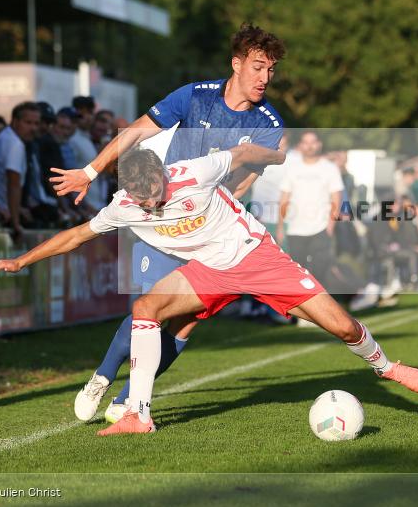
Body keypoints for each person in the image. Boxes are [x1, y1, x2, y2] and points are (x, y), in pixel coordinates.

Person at [0, 145, 418, 435]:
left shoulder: (193, 172)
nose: (152, 202)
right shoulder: (124, 206)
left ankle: (384, 367)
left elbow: (240, 154)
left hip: (257, 258)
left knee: (342, 326)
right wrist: (19, 260)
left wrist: (278, 158)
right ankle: (139, 413)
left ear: (163, 174)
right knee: (146, 306)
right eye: (143, 198)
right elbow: (77, 235)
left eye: (155, 190)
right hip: (209, 271)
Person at [50, 23, 287, 423]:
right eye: (258, 67)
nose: (265, 78)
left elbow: (246, 181)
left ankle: (129, 398)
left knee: (185, 323)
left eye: (271, 70)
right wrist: (90, 172)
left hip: (211, 233)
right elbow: (137, 132)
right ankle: (102, 377)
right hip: (163, 220)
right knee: (149, 309)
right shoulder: (195, 96)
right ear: (236, 64)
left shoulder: (269, 123)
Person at [278, 131, 344, 282]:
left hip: (320, 229)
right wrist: (281, 227)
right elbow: (284, 199)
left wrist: (330, 227)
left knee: (319, 273)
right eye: (305, 142)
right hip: (296, 230)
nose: (309, 146)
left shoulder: (329, 168)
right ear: (300, 146)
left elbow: (336, 198)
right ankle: (301, 305)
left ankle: (321, 303)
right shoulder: (292, 168)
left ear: (319, 144)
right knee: (298, 276)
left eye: (312, 142)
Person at [0, 102, 41, 239]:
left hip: (2, 209)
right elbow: (13, 184)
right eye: (28, 122)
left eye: (36, 123)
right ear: (15, 121)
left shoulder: (6, 137)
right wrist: (16, 222)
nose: (33, 128)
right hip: (3, 215)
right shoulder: (15, 144)